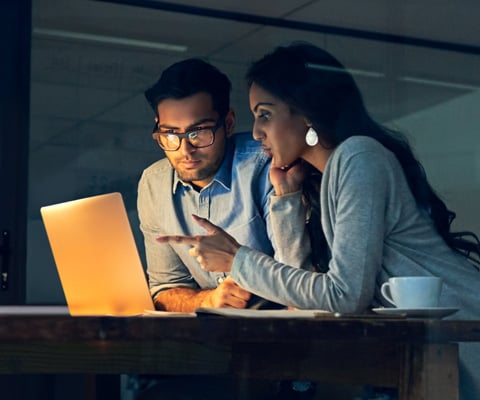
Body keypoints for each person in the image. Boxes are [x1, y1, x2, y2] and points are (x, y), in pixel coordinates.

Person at [156, 43, 480, 400]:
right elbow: (303, 303)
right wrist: (285, 200)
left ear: (306, 112)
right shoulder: (327, 177)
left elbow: (345, 296)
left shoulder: (359, 157)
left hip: (464, 340)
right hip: (432, 350)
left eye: (264, 115)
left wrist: (238, 260)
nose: (257, 133)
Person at [135, 57, 306, 399]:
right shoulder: (153, 184)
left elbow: (299, 277)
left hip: (284, 349)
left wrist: (239, 265)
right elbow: (165, 289)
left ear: (227, 123)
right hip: (204, 355)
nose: (185, 150)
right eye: (170, 134)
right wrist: (210, 299)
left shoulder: (269, 163)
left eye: (199, 132)